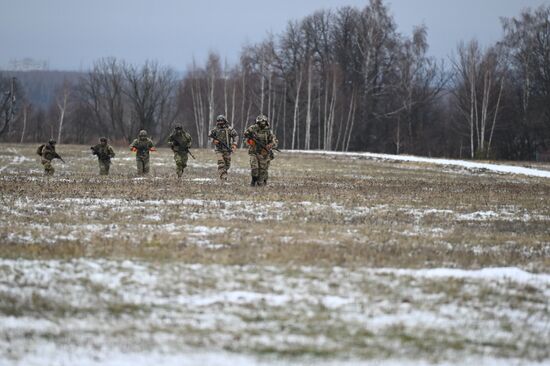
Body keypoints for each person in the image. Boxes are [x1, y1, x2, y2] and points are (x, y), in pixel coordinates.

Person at [244, 114, 278, 186]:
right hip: (254, 152)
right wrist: (250, 142)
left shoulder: (268, 131)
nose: (262, 124)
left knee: (263, 171)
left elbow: (274, 141)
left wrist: (269, 146)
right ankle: (253, 180)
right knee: (254, 168)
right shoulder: (252, 128)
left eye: (264, 122)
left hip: (264, 153)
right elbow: (245, 137)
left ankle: (262, 182)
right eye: (260, 122)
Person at [208, 115, 239, 181]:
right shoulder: (215, 129)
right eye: (219, 121)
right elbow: (209, 136)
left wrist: (234, 144)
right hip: (218, 150)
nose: (221, 123)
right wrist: (213, 140)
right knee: (221, 162)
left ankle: (223, 172)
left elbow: (235, 136)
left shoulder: (229, 129)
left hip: (227, 149)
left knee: (227, 164)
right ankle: (223, 177)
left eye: (222, 121)